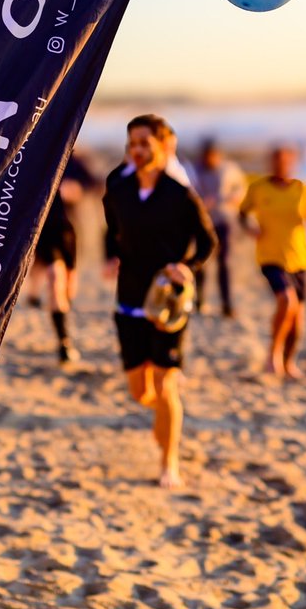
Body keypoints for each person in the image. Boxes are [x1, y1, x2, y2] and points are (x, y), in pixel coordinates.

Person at [103, 114, 217, 489]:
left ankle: (170, 462)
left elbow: (207, 241)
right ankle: (165, 421)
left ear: (163, 146)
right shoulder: (116, 187)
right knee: (141, 391)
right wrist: (110, 255)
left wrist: (187, 266)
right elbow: (112, 228)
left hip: (169, 301)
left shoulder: (178, 193)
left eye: (144, 143)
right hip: (129, 298)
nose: (136, 150)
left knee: (166, 385)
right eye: (131, 143)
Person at [239, 146, 306, 380]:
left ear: (293, 163)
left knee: (297, 320)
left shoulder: (304, 190)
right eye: (276, 161)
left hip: (299, 259)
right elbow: (242, 213)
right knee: (286, 300)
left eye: (286, 162)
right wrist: (250, 229)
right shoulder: (258, 189)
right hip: (270, 256)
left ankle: (289, 363)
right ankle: (273, 355)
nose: (281, 166)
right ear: (271, 163)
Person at [29, 150, 100, 364]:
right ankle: (64, 343)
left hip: (68, 231)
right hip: (43, 229)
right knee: (54, 278)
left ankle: (34, 294)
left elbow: (95, 184)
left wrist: (78, 190)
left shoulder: (75, 159)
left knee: (68, 289)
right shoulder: (38, 153)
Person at [193, 138, 246, 317]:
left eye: (213, 155)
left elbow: (240, 190)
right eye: (207, 155)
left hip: (225, 220)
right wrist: (200, 202)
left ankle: (227, 303)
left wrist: (226, 199)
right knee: (201, 261)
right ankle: (199, 300)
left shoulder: (229, 169)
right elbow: (188, 190)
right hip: (203, 222)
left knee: (225, 262)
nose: (210, 159)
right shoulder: (195, 170)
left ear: (219, 155)